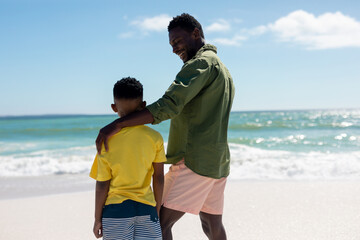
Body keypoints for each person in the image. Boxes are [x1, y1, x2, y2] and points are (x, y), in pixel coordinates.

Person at [96, 13, 235, 240]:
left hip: (194, 161)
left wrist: (117, 124)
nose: (174, 49)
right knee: (212, 225)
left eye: (177, 42)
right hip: (218, 163)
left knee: (158, 223)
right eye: (171, 44)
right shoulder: (222, 69)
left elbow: (169, 105)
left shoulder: (199, 64)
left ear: (196, 33)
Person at [90, 77, 166, 240]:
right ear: (143, 105)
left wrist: (97, 219)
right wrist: (157, 209)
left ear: (113, 107)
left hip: (116, 211)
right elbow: (158, 177)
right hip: (147, 208)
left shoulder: (105, 140)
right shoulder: (155, 138)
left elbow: (102, 184)